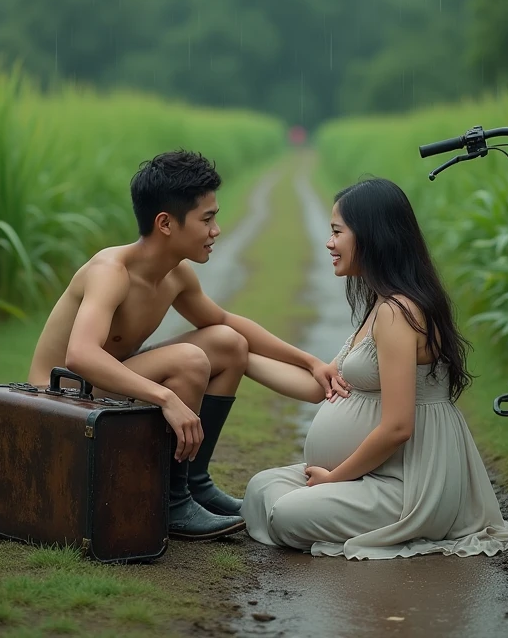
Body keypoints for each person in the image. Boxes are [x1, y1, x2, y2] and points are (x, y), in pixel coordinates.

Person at [28, 150, 335, 541]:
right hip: (57, 399)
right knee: (190, 360)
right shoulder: (111, 272)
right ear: (165, 223)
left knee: (228, 343)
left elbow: (224, 322)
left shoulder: (176, 275)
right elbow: (81, 355)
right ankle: (172, 505)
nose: (216, 230)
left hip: (100, 387)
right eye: (207, 219)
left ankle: (194, 483)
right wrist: (167, 398)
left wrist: (310, 362)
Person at [241, 177, 508, 558]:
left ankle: (354, 509)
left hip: (410, 483)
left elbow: (399, 427)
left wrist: (333, 479)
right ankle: (333, 501)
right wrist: (241, 359)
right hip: (372, 475)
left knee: (285, 513)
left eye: (337, 232)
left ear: (371, 236)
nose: (329, 243)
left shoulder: (397, 313)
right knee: (258, 488)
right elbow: (318, 385)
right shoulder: (380, 305)